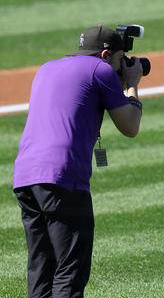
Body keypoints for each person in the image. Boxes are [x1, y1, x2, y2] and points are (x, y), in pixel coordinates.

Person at [13, 25, 145, 297]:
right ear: (106, 54)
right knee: (70, 270)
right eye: (121, 60)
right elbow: (130, 127)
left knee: (42, 267)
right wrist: (131, 85)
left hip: (26, 177)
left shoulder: (47, 68)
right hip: (63, 176)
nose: (122, 66)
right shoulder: (101, 70)